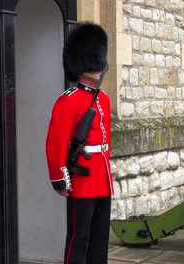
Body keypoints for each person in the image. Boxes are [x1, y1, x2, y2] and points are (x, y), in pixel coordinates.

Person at [46, 22, 113, 264]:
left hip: (102, 178)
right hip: (82, 180)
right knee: (79, 236)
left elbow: (106, 141)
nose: (99, 68)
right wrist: (60, 179)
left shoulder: (103, 99)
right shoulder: (68, 100)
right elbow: (56, 143)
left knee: (99, 238)